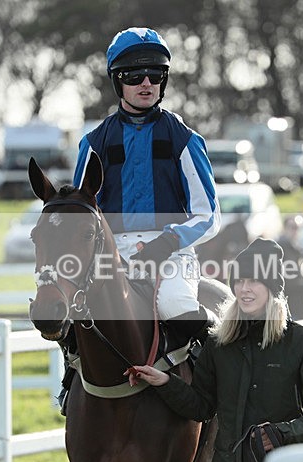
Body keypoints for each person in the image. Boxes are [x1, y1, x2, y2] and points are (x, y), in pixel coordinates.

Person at [65, 27, 220, 409]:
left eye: (155, 74)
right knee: (73, 315)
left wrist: (165, 243)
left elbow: (209, 215)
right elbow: (79, 214)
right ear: (118, 82)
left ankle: (214, 399)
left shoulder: (183, 138)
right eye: (134, 76)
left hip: (171, 252)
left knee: (178, 308)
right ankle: (72, 383)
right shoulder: (94, 142)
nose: (146, 83)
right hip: (109, 253)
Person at [126, 238, 303, 462]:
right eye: (239, 281)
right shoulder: (219, 344)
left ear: (272, 286)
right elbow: (201, 407)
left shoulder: (302, 342)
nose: (244, 289)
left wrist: (282, 434)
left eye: (253, 281)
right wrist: (166, 382)